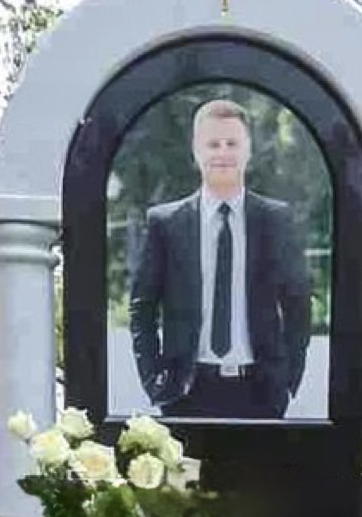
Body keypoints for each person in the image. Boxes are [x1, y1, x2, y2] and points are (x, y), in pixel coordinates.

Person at [129, 99, 311, 419]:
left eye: (232, 143)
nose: (223, 152)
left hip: (260, 394)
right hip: (184, 393)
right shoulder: (165, 223)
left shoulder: (276, 220)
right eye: (213, 144)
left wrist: (287, 381)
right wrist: (154, 381)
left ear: (248, 150)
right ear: (196, 150)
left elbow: (298, 306)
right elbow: (142, 309)